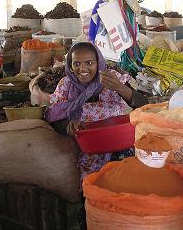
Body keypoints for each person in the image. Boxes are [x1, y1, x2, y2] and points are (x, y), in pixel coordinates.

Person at [45, 41, 148, 181]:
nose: (82, 69)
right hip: (86, 144)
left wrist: (119, 87)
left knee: (122, 179)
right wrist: (68, 126)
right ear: (70, 65)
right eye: (76, 64)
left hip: (116, 141)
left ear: (98, 63)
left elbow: (143, 105)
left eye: (89, 63)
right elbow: (54, 115)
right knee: (93, 184)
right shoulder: (66, 85)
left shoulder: (112, 78)